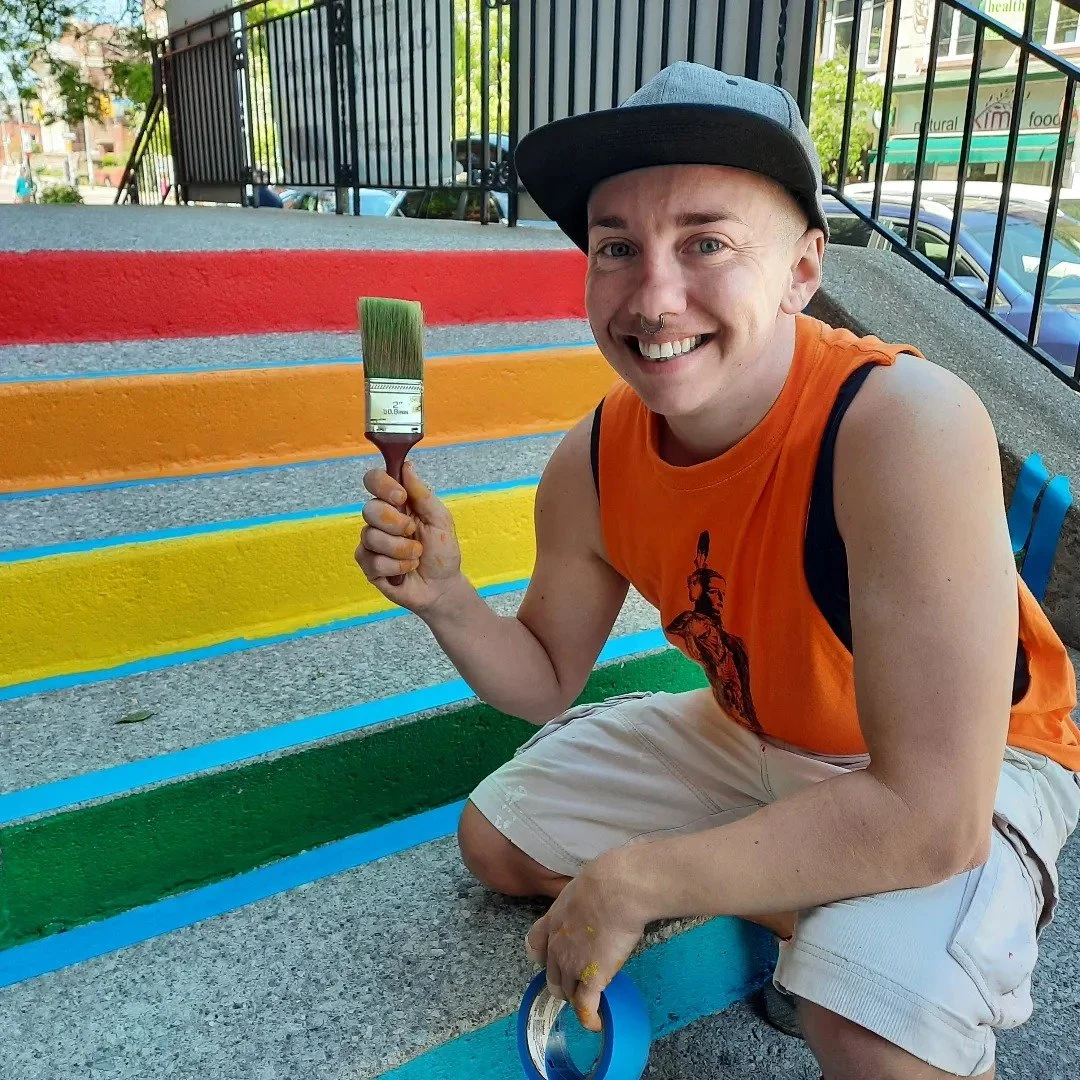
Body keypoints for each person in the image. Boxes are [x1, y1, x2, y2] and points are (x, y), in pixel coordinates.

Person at [355, 62, 1080, 1079]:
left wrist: (643, 879)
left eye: (706, 242)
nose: (655, 297)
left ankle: (837, 924)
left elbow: (932, 816)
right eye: (617, 247)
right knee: (498, 843)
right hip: (755, 730)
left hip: (969, 765)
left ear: (802, 268)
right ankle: (806, 893)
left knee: (866, 1031)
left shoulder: (901, 425)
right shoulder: (593, 460)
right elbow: (545, 677)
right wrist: (446, 598)